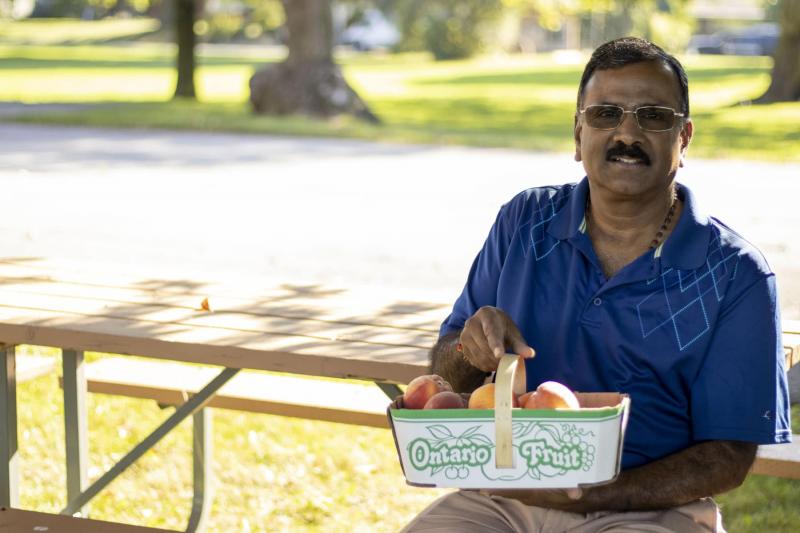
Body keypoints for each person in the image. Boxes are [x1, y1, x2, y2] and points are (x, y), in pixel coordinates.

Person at [401, 37, 791, 532]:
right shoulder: (524, 221)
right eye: (606, 114)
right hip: (501, 496)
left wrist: (587, 498)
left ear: (684, 137)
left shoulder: (737, 274)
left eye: (652, 116)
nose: (627, 133)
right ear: (578, 133)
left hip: (650, 509)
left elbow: (729, 455)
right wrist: (468, 352)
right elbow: (447, 375)